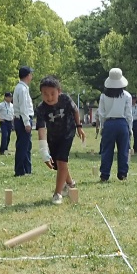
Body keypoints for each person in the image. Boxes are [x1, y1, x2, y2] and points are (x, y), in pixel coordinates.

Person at [35, 76, 86, 204]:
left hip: (68, 133)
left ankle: (58, 193)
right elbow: (41, 130)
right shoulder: (41, 109)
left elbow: (75, 111)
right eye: (45, 94)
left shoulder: (65, 99)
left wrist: (79, 127)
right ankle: (70, 183)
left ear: (59, 91)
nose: (49, 97)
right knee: (58, 165)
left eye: (52, 93)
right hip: (53, 137)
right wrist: (44, 153)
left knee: (61, 161)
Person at [97, 68, 133, 182]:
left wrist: (103, 126)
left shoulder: (103, 96)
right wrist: (130, 128)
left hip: (109, 123)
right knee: (123, 150)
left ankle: (104, 174)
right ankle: (122, 174)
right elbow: (128, 114)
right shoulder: (127, 96)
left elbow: (101, 113)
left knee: (107, 150)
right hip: (122, 124)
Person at [13, 66, 34, 177]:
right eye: (31, 74)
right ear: (27, 75)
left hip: (20, 118)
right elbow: (24, 107)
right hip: (23, 119)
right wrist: (27, 122)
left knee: (27, 145)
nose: (32, 77)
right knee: (23, 146)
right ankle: (20, 170)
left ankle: (27, 169)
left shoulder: (22, 88)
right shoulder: (22, 89)